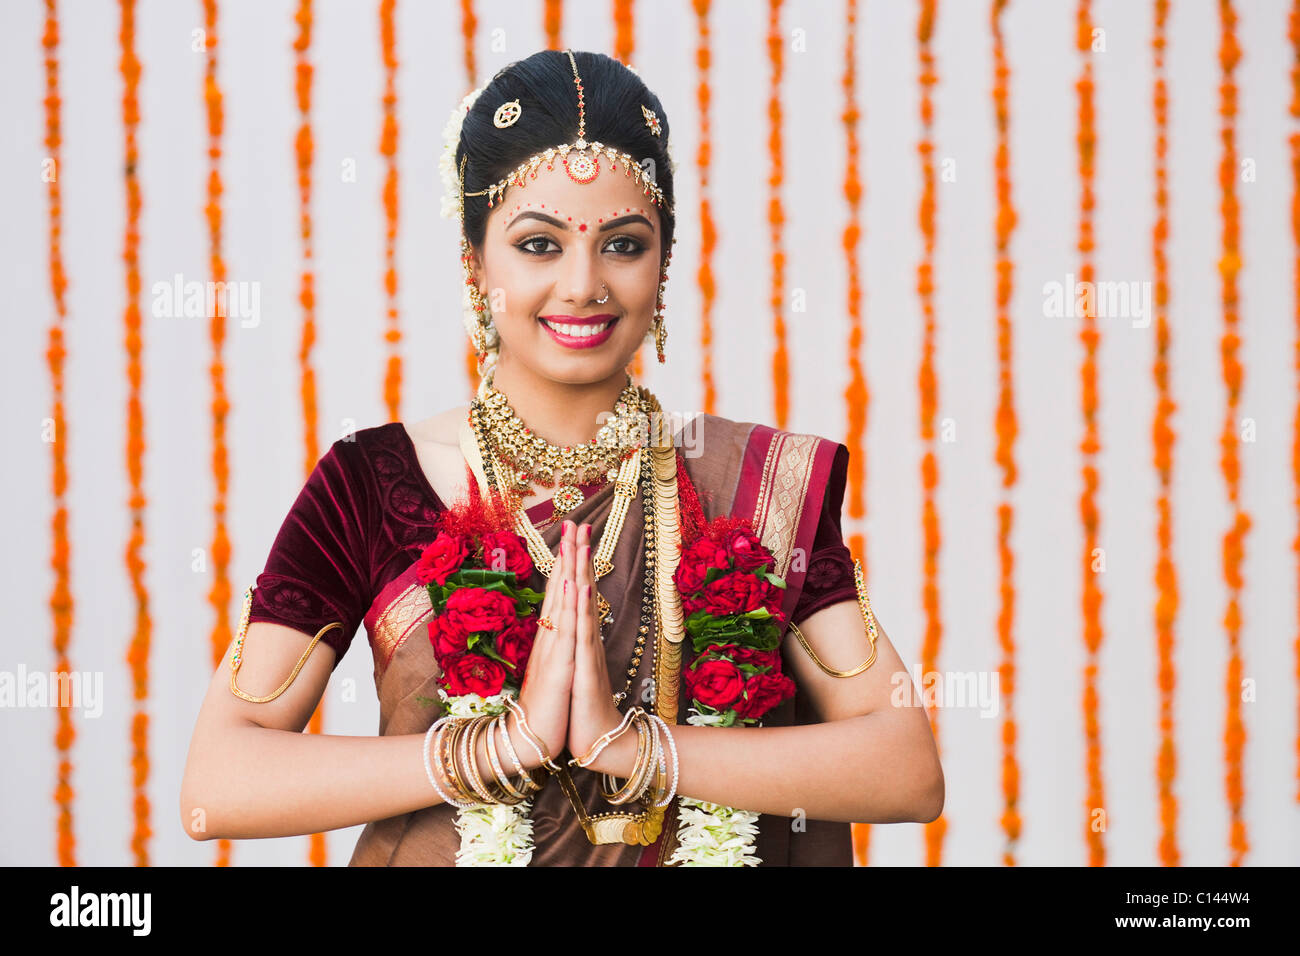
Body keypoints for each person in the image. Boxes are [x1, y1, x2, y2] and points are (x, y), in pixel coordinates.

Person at [180, 49, 943, 866]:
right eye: (539, 245)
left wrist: (635, 746)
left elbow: (905, 770)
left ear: (664, 266)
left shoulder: (751, 488)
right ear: (477, 267)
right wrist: (494, 749)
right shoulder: (374, 483)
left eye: (623, 244)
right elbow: (218, 784)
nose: (583, 285)